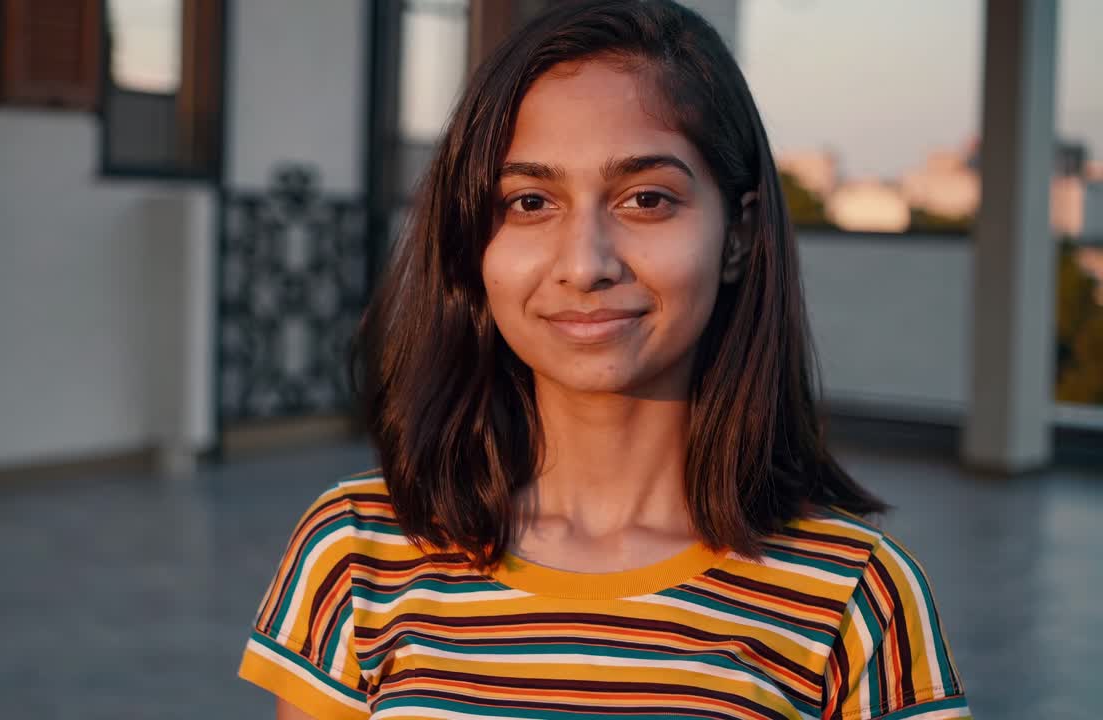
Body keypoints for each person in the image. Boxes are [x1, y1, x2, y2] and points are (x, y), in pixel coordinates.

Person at [238, 1, 971, 718]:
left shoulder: (853, 595)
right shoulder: (358, 551)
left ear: (739, 236)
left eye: (646, 199)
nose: (584, 264)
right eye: (529, 202)